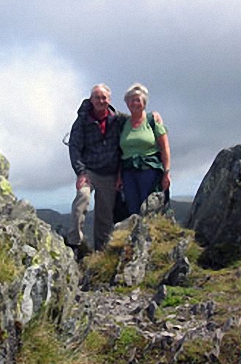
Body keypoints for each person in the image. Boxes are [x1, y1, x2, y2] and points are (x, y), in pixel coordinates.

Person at [67, 84, 124, 256]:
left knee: (105, 217)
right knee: (82, 199)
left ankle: (101, 252)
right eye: (97, 97)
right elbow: (74, 147)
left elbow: (137, 121)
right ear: (91, 100)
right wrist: (81, 172)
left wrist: (153, 118)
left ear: (109, 100)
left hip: (110, 173)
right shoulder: (82, 121)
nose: (101, 101)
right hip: (89, 171)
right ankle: (75, 243)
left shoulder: (117, 120)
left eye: (104, 97)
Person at [118, 83, 171, 216]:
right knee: (132, 208)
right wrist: (118, 176)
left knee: (149, 207)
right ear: (127, 103)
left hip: (149, 170)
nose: (134, 103)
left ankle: (152, 235)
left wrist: (166, 173)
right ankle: (136, 235)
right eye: (131, 100)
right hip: (128, 172)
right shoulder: (123, 123)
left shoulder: (152, 120)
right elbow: (118, 152)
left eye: (138, 100)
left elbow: (165, 147)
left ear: (144, 103)